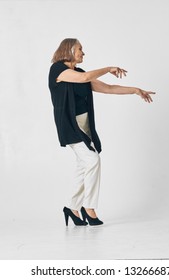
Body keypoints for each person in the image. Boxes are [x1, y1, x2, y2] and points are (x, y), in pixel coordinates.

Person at [48, 38, 155, 226]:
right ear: (69, 50)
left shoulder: (80, 73)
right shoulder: (57, 70)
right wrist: (108, 68)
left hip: (85, 126)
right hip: (70, 126)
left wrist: (136, 90)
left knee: (84, 165)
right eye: (80, 49)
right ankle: (88, 208)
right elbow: (83, 78)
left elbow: (109, 88)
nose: (83, 53)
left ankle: (72, 208)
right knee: (92, 160)